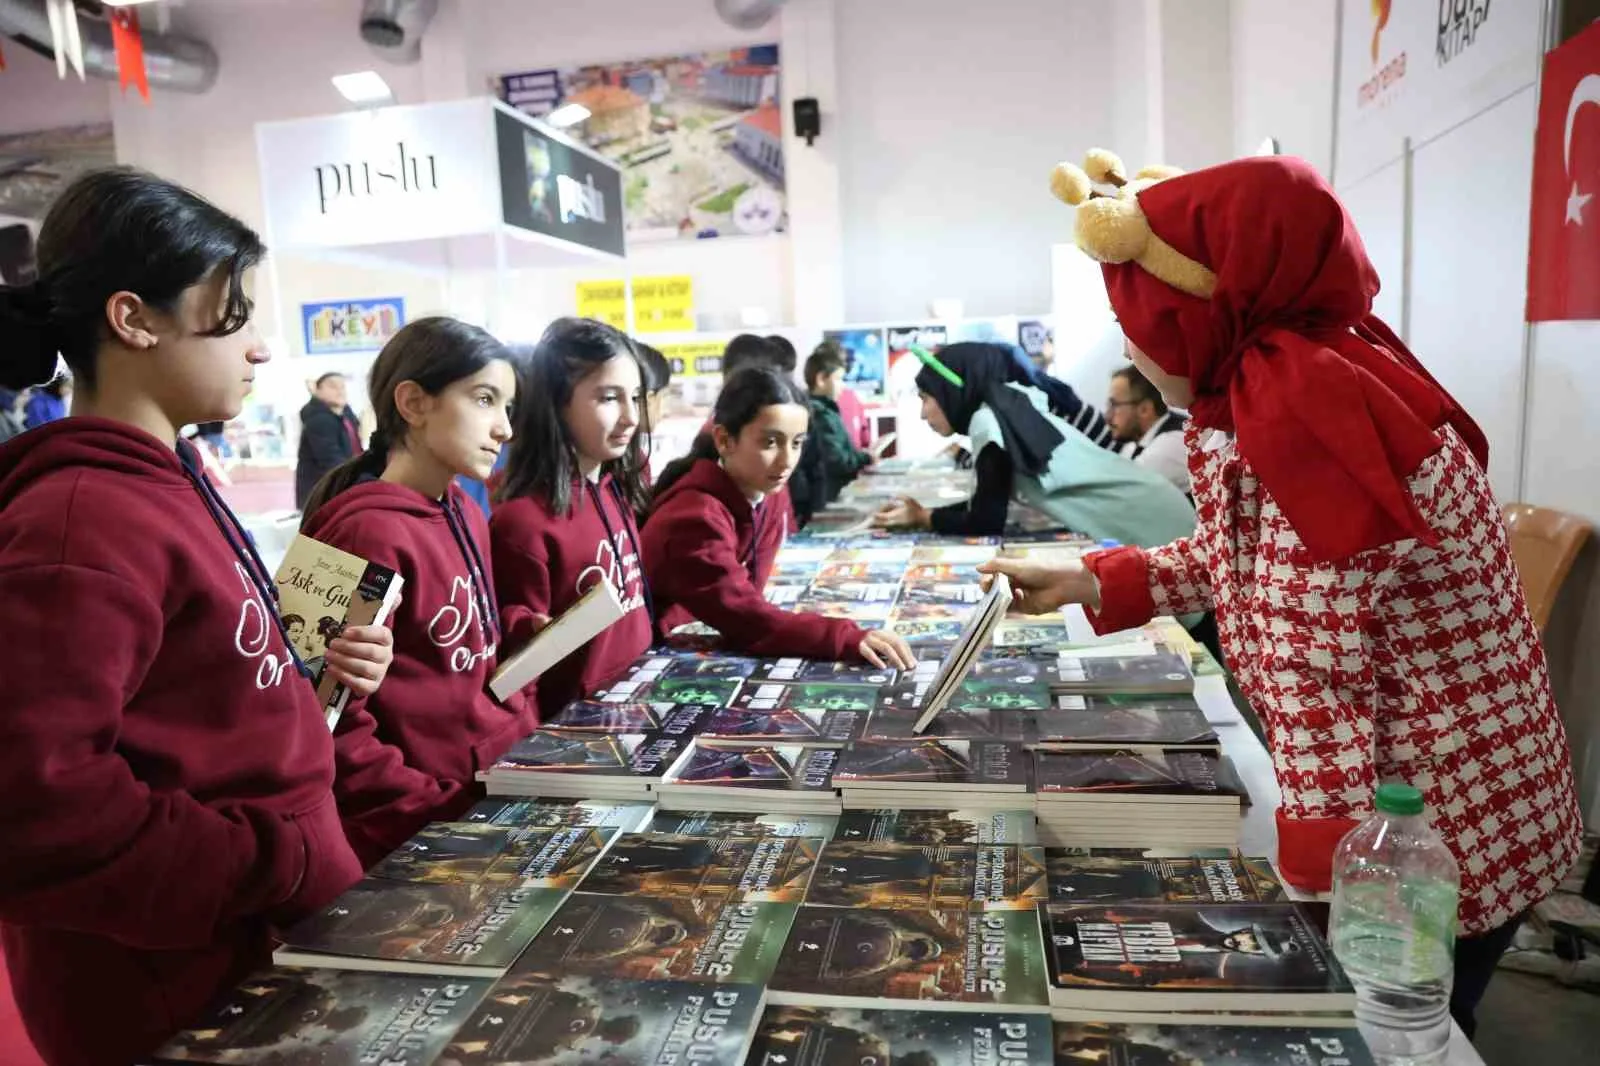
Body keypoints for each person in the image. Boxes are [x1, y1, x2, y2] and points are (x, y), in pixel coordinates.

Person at [986, 152, 1583, 1034]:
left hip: (1433, 825)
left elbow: (1316, 666)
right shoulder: (1300, 381)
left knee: (1397, 1028)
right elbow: (1252, 563)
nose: (1127, 346)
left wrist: (1319, 891)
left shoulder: (1306, 413)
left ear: (1199, 309)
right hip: (1448, 797)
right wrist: (1092, 577)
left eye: (1135, 318)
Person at [0, 167, 395, 1066]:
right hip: (175, 988)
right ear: (134, 318)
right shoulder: (79, 521)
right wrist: (274, 860)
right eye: (234, 312)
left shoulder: (166, 480)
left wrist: (310, 678)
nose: (257, 347)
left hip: (250, 951)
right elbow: (31, 811)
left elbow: (190, 692)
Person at [300, 316, 527, 865]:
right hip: (418, 830)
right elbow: (319, 720)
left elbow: (454, 652)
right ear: (413, 403)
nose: (504, 429)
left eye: (507, 407)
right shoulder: (359, 530)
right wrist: (433, 812)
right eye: (483, 399)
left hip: (482, 791)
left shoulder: (467, 511)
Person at [643, 366, 915, 670]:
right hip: (655, 652)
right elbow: (748, 620)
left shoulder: (768, 492)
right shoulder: (694, 517)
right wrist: (844, 637)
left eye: (796, 443)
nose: (787, 461)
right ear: (724, 440)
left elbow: (750, 601)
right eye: (770, 442)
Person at [491, 317, 655, 722]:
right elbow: (520, 663)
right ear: (558, 403)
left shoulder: (615, 489)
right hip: (577, 728)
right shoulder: (523, 522)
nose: (631, 418)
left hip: (636, 702)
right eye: (608, 398)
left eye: (635, 397)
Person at [873, 343, 1195, 548]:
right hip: (1157, 509)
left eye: (926, 398)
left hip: (1152, 522)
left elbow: (986, 518)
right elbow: (989, 499)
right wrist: (924, 514)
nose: (922, 412)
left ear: (950, 391)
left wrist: (926, 518)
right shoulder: (1008, 407)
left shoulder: (989, 422)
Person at [1107, 362, 1188, 494]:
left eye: (1114, 405)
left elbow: (1119, 494)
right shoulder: (1134, 446)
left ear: (1144, 409)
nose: (1108, 416)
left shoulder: (1168, 445)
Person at [804, 344, 873, 489]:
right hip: (830, 493)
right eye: (839, 379)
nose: (843, 386)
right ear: (821, 379)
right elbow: (837, 461)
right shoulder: (820, 415)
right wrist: (867, 458)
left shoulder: (825, 410)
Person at [295, 371, 362, 511]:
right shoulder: (318, 420)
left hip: (344, 486)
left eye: (343, 386)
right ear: (317, 391)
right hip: (324, 494)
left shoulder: (344, 414)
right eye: (333, 386)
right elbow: (331, 460)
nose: (340, 390)